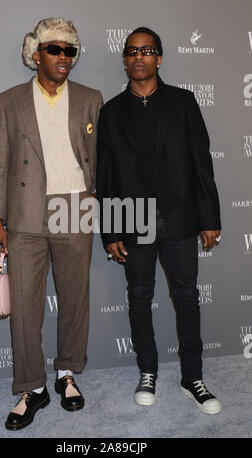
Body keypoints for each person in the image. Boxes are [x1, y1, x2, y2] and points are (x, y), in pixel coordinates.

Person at [96, 27, 222, 414]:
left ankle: (193, 378)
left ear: (159, 58)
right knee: (139, 298)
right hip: (133, 222)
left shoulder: (184, 103)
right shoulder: (112, 111)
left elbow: (202, 165)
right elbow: (106, 175)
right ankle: (147, 370)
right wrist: (111, 230)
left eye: (147, 50)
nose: (139, 57)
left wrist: (209, 217)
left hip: (180, 219)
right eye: (132, 51)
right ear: (124, 59)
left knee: (187, 299)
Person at [0, 17, 103, 430]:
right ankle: (31, 387)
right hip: (24, 211)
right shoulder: (10, 100)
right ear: (35, 54)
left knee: (74, 299)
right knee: (24, 308)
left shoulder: (91, 98)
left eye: (70, 50)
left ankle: (66, 372)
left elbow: (102, 160)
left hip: (76, 207)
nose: (64, 58)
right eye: (55, 49)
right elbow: (0, 163)